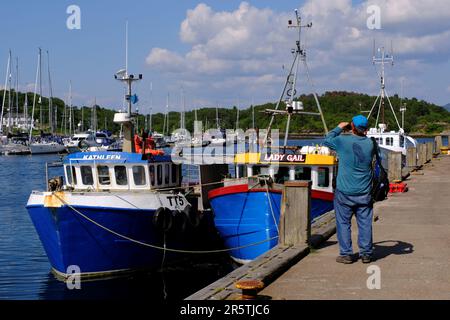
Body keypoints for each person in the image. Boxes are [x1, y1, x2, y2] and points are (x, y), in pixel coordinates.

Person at [324, 115, 376, 264]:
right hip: (364, 191)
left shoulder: (342, 140)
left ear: (352, 126)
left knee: (343, 223)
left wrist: (339, 127)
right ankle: (366, 254)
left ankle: (346, 254)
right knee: (365, 223)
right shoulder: (370, 144)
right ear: (366, 129)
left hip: (344, 192)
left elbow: (326, 140)